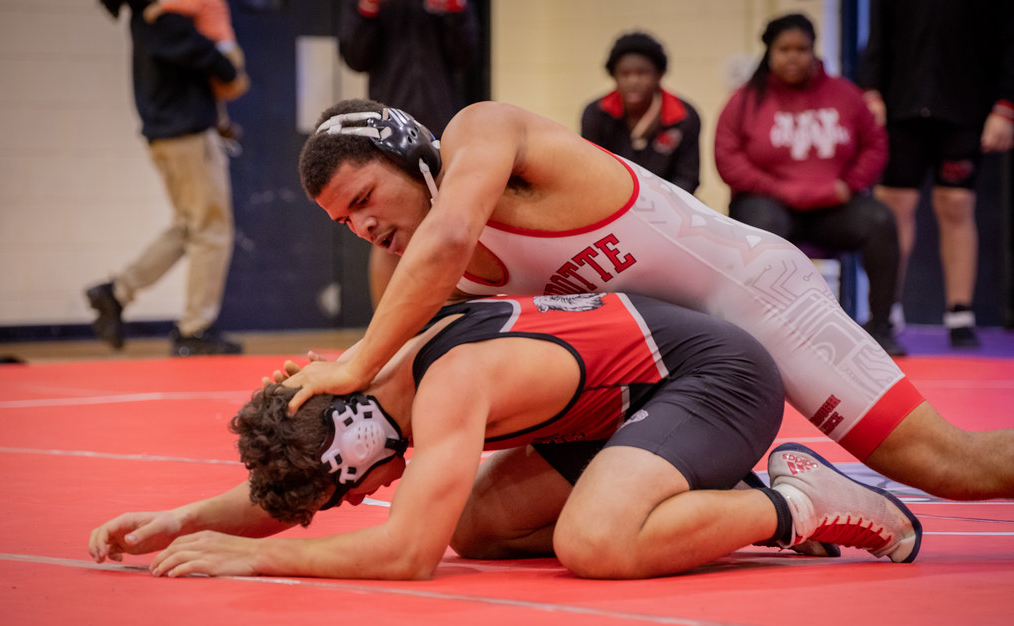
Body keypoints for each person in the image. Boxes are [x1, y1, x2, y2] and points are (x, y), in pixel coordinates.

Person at [289, 98, 1014, 503]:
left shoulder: (479, 134)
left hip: (756, 295)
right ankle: (770, 504)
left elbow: (446, 237)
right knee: (485, 518)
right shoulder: (445, 274)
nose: (364, 226)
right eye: (344, 221)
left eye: (363, 198)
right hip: (684, 372)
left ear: (410, 152)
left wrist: (355, 360)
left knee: (947, 465)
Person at [88, 292, 922, 580]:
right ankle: (709, 493)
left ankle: (799, 501)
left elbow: (406, 554)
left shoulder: (449, 383)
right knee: (477, 529)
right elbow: (315, 480)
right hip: (631, 407)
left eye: (358, 486)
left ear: (352, 441)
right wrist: (183, 520)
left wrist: (257, 558)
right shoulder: (372, 384)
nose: (371, 492)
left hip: (717, 383)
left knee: (593, 542)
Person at [715, 13, 903, 356]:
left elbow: (875, 144)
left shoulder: (845, 94)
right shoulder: (745, 100)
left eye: (801, 49)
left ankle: (881, 328)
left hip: (832, 208)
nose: (793, 56)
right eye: (784, 49)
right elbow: (728, 158)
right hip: (771, 204)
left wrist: (851, 184)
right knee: (760, 224)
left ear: (814, 51)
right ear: (769, 53)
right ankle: (761, 331)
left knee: (880, 221)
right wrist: (776, 188)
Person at [86, 0, 242, 356]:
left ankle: (118, 291)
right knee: (212, 231)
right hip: (186, 137)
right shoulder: (163, 18)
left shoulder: (150, 17)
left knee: (190, 227)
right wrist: (226, 59)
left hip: (169, 137)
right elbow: (226, 69)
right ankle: (195, 330)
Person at [857, 0, 1014, 348]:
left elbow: (1008, 45)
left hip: (963, 111)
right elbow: (877, 41)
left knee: (956, 204)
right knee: (894, 207)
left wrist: (1005, 107)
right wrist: (870, 93)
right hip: (902, 111)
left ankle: (960, 315)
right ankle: (887, 312)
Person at [338, 0, 481, 307]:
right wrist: (369, 7)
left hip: (443, 126)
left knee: (452, 220)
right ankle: (383, 331)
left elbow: (466, 54)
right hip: (387, 127)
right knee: (387, 229)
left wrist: (455, 9)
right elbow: (355, 56)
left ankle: (448, 321)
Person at [581, 31, 701, 194]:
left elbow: (688, 177)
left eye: (642, 73)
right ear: (614, 77)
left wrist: (657, 206)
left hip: (669, 204)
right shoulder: (596, 113)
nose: (633, 81)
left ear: (658, 75)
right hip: (611, 200)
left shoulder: (685, 116)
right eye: (625, 74)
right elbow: (591, 171)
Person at [143, 0, 251, 149]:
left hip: (223, 49)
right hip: (225, 46)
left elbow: (188, 5)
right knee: (214, 94)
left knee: (226, 88)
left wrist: (160, 6)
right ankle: (222, 122)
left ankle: (221, 122)